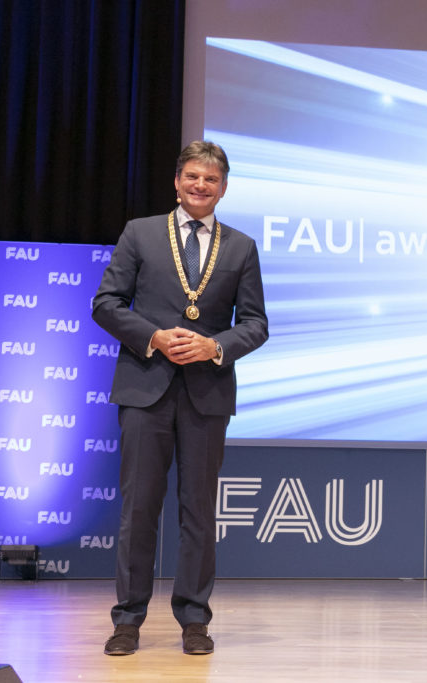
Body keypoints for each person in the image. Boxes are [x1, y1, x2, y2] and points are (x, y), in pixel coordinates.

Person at [92, 141, 269, 656]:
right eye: (192, 176)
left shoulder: (241, 246)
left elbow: (256, 324)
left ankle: (194, 620)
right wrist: (153, 336)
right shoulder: (140, 232)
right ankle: (128, 620)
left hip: (206, 395)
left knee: (199, 513)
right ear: (177, 180)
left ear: (224, 187)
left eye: (211, 180)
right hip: (145, 389)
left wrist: (216, 345)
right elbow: (105, 303)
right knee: (138, 510)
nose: (200, 186)